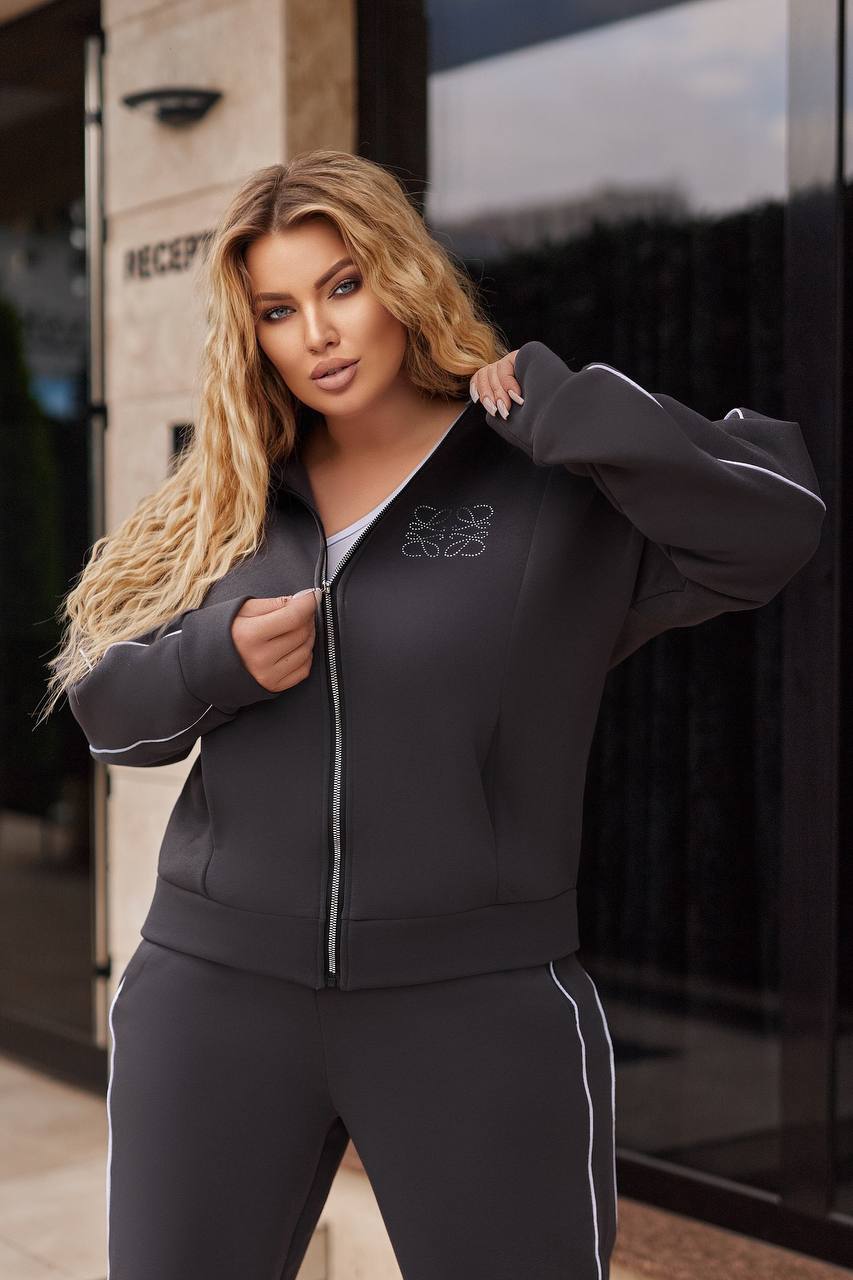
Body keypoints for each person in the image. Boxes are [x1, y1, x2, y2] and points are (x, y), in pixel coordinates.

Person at [40, 149, 826, 1280]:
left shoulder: (547, 484)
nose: (318, 333)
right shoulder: (228, 493)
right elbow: (110, 718)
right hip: (212, 996)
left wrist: (575, 408)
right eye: (278, 309)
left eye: (342, 285)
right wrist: (220, 657)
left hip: (475, 1003)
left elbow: (774, 527)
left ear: (401, 278)